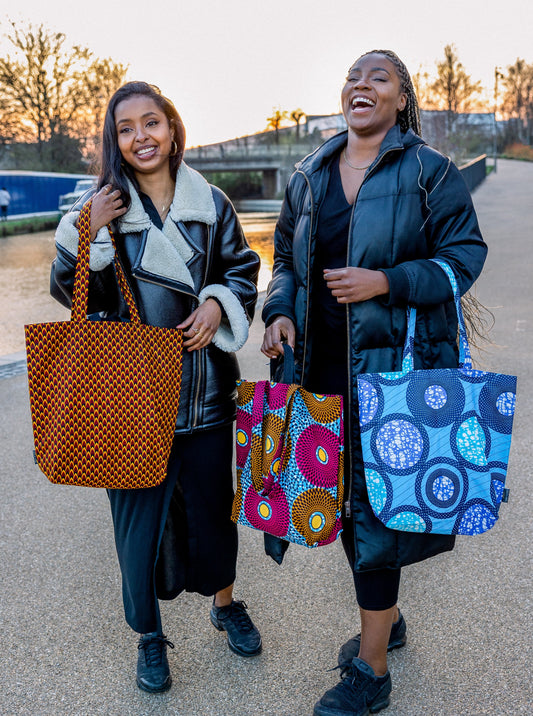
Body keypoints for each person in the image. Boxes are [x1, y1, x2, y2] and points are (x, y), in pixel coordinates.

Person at [261, 50, 488, 716]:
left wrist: (386, 281)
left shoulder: (429, 172)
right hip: (317, 370)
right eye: (353, 77)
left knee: (376, 512)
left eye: (377, 77)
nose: (361, 84)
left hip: (397, 372)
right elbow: (283, 256)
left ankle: (372, 668)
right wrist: (277, 312)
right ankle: (384, 615)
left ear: (400, 99)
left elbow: (462, 259)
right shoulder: (306, 176)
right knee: (337, 507)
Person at [50, 81, 262, 694]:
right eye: (125, 128)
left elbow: (241, 269)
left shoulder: (211, 201)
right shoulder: (99, 208)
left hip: (202, 392)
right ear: (114, 141)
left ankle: (225, 604)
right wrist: (85, 234)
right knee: (137, 528)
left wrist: (219, 306)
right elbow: (69, 292)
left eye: (152, 122)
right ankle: (149, 636)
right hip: (129, 402)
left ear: (172, 129)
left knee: (214, 513)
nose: (140, 136)